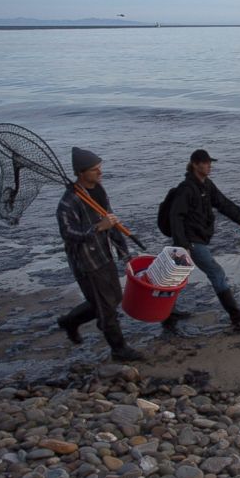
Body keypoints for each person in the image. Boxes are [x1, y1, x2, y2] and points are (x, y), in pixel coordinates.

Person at [56, 147, 144, 362]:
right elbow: (68, 234)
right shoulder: (68, 203)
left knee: (112, 299)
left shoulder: (98, 192)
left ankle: (70, 321)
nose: (100, 173)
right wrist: (98, 228)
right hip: (87, 263)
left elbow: (111, 222)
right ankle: (119, 349)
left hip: (104, 256)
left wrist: (124, 252)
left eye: (99, 168)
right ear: (80, 173)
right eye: (95, 170)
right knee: (106, 309)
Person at [169, 149, 240, 323]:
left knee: (177, 274)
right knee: (215, 271)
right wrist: (182, 244)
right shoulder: (186, 189)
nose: (210, 166)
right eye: (206, 163)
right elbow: (175, 216)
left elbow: (222, 203)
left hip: (197, 238)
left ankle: (167, 311)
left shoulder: (206, 185)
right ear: (195, 164)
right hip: (190, 240)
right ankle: (234, 313)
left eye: (210, 163)